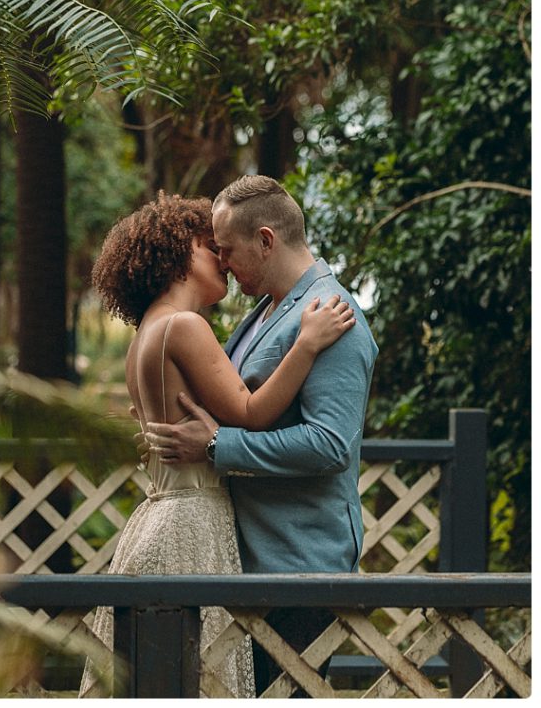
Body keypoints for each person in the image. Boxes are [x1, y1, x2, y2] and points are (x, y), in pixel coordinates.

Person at [79, 191, 355, 698]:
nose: (223, 263)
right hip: (192, 524)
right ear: (178, 253)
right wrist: (307, 343)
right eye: (212, 248)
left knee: (167, 680)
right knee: (204, 682)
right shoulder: (184, 326)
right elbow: (250, 412)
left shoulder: (147, 334)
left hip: (159, 519)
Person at [144, 175, 379, 696]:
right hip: (247, 562)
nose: (221, 262)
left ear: (266, 240)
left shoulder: (331, 316)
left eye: (226, 250)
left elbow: (330, 444)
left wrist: (215, 446)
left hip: (297, 568)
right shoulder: (265, 311)